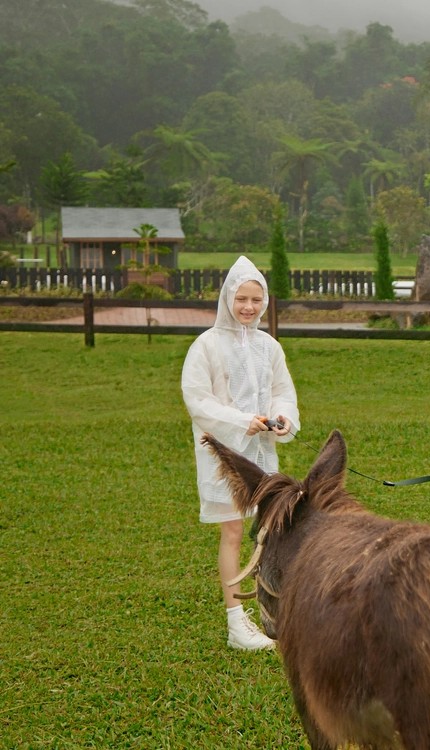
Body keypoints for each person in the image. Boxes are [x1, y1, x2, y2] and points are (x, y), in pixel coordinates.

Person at [181, 255, 299, 650]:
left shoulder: (269, 347)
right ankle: (236, 624)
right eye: (242, 298)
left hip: (262, 457)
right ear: (228, 297)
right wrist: (238, 421)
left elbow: (282, 391)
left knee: (267, 531)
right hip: (225, 458)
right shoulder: (207, 346)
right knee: (232, 532)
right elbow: (198, 400)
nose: (249, 307)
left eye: (256, 300)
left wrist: (282, 418)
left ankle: (271, 610)